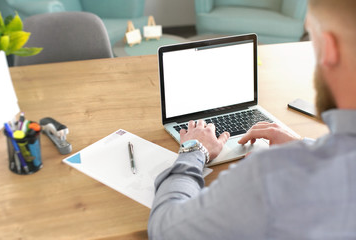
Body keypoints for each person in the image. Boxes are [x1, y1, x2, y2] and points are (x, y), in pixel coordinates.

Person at [148, 0, 356, 239]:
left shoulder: (270, 177)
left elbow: (165, 229)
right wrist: (304, 145)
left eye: (312, 38)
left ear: (328, 48)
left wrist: (193, 150)